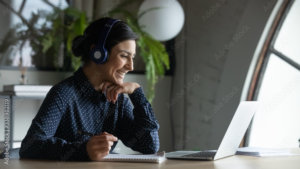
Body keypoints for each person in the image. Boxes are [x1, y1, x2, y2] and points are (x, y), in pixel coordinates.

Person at [19, 17, 160, 161]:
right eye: (124, 56)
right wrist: (84, 150)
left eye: (132, 58)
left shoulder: (117, 99)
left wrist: (137, 94)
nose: (131, 66)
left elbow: (149, 145)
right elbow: (30, 146)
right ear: (98, 53)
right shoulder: (63, 93)